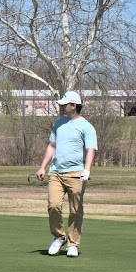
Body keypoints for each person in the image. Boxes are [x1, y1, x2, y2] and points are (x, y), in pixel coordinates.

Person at [35, 91, 98, 258]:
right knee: (53, 205)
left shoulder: (86, 126)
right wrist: (42, 167)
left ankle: (73, 244)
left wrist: (87, 170)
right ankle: (58, 237)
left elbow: (90, 149)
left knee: (75, 209)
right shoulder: (58, 124)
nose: (62, 107)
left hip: (76, 173)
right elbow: (52, 146)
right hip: (56, 172)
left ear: (74, 106)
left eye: (65, 104)